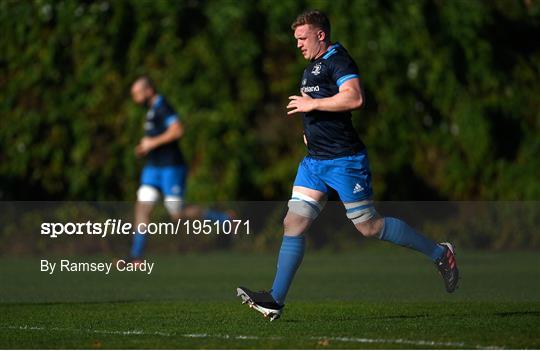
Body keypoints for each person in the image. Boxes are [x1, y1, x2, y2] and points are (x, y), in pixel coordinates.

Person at [237, 10, 459, 321]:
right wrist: (308, 130)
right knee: (293, 223)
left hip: (345, 162)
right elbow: (319, 108)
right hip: (314, 163)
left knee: (368, 226)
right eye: (296, 39)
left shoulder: (338, 59)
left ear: (321, 35)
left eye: (303, 38)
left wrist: (312, 105)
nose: (298, 44)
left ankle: (440, 254)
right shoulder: (312, 67)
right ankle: (275, 299)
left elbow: (354, 98)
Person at [127, 76, 231, 263]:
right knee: (142, 207)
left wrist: (151, 143)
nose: (135, 98)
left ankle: (223, 218)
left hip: (171, 167)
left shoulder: (162, 106)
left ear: (149, 91)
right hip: (153, 168)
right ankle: (136, 257)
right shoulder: (151, 110)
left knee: (177, 214)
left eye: (137, 94)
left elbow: (177, 130)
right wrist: (146, 147)